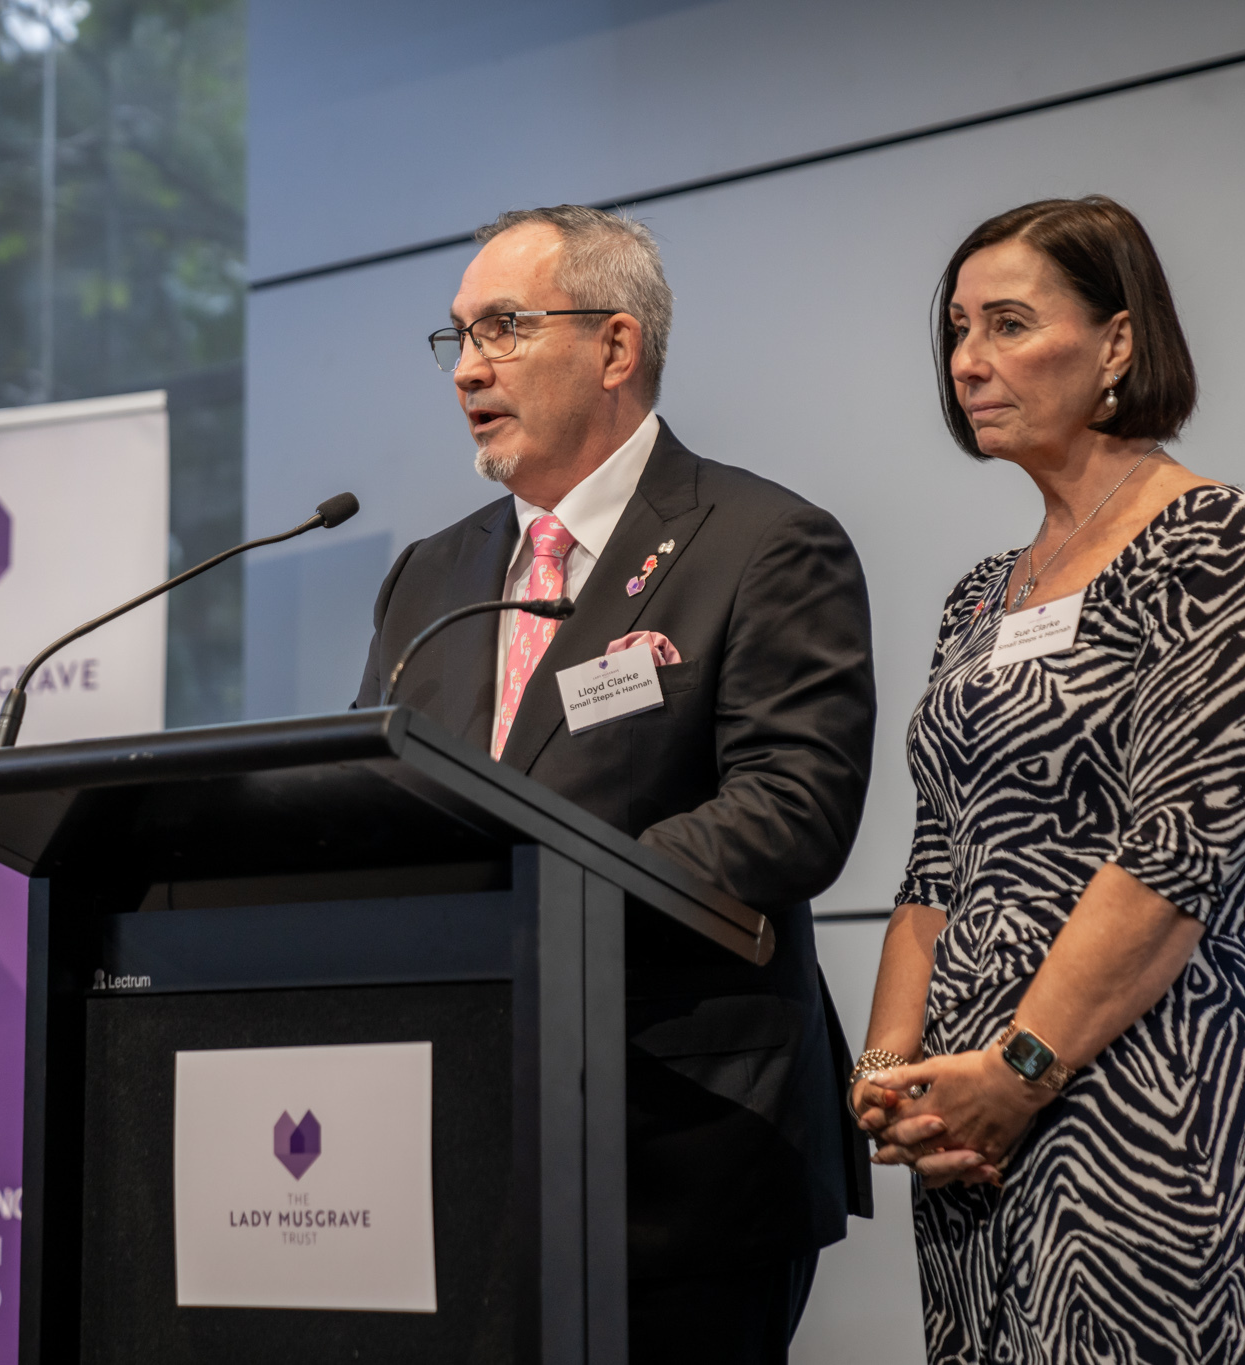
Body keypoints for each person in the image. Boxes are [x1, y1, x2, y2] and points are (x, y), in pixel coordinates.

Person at [355, 204, 877, 1364]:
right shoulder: (429, 575)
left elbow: (792, 808)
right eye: (457, 337)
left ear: (614, 345)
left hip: (681, 1142)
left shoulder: (762, 541)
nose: (467, 368)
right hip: (460, 1139)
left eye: (502, 328)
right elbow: (380, 809)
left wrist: (548, 896)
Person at [851, 197, 1245, 1364]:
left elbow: (1175, 853)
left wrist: (1017, 1070)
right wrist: (891, 1074)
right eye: (956, 330)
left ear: (1115, 342)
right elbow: (934, 861)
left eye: (1007, 324)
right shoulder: (978, 595)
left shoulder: (1208, 540)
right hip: (964, 1136)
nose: (967, 361)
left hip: (1134, 1110)